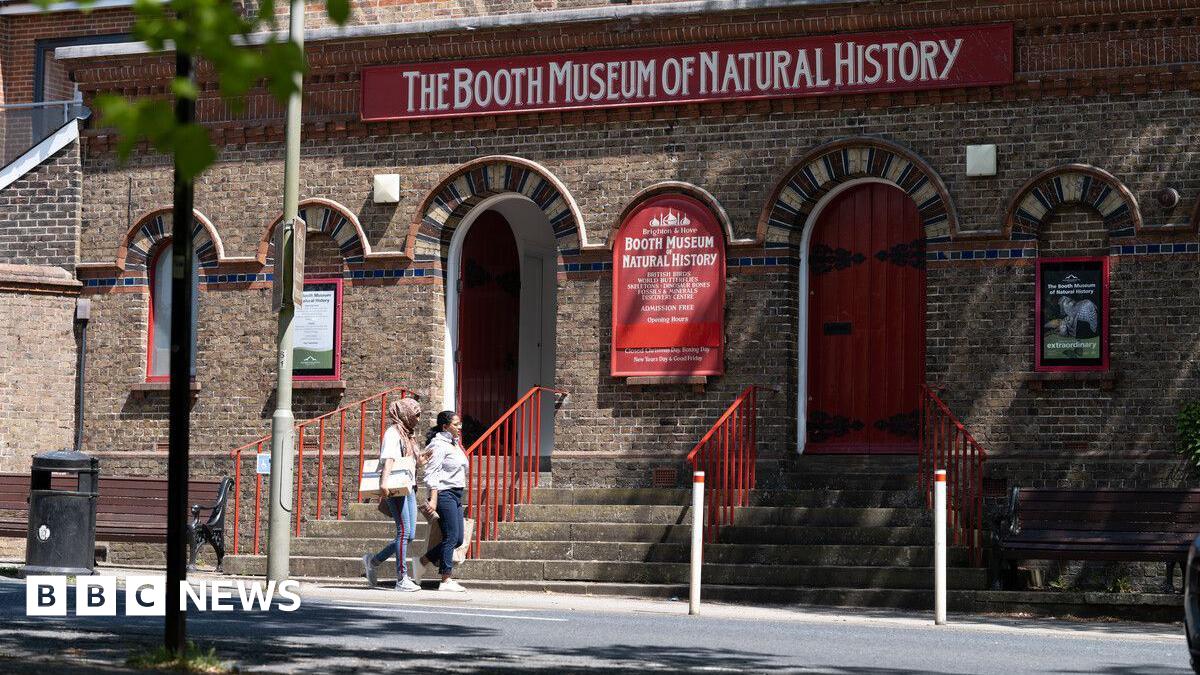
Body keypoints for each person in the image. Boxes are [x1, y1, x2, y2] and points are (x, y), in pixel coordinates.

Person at [363, 397, 423, 592]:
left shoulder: (408, 434)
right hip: (395, 487)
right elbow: (389, 459)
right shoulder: (393, 433)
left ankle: (374, 560)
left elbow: (410, 461)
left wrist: (422, 459)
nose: (418, 418)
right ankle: (401, 578)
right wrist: (384, 484)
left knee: (410, 534)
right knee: (404, 532)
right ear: (404, 413)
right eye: (415, 414)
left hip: (409, 487)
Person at [419, 410, 469, 592]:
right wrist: (433, 499)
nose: (460, 427)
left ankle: (423, 561)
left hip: (456, 493)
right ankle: (446, 580)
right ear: (445, 426)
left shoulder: (454, 443)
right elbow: (432, 472)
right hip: (444, 493)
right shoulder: (438, 444)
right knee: (450, 537)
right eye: (456, 424)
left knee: (457, 539)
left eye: (460, 424)